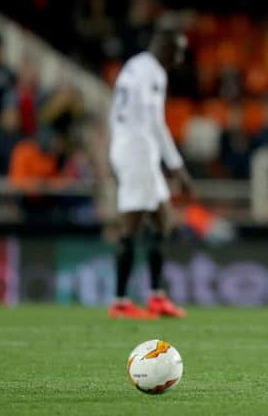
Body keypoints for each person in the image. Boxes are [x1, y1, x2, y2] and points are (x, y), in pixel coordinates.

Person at [107, 28, 193, 320]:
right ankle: (120, 302)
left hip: (127, 144)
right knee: (130, 226)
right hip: (137, 149)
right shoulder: (154, 72)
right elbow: (154, 122)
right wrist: (178, 166)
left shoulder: (134, 65)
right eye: (178, 50)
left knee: (162, 218)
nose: (180, 58)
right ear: (164, 46)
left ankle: (157, 297)